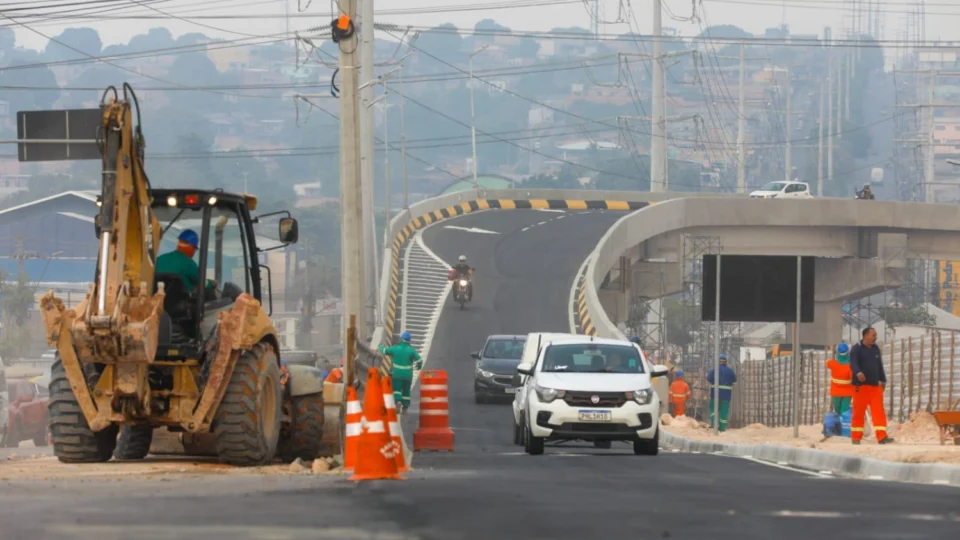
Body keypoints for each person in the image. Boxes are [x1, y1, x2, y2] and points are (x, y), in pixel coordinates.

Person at [849, 327, 894, 445]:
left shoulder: (875, 349)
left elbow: (879, 366)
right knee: (858, 412)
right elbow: (853, 363)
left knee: (878, 411)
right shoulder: (856, 349)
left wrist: (883, 380)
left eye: (876, 335)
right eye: (873, 335)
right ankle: (856, 437)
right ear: (865, 336)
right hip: (860, 387)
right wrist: (858, 373)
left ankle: (882, 437)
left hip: (875, 387)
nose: (875, 337)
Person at [379, 331, 423, 413]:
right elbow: (419, 360)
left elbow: (384, 351)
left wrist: (380, 347)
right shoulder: (411, 350)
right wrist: (419, 366)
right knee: (406, 390)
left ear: (401, 339)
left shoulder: (395, 348)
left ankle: (398, 401)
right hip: (408, 375)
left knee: (397, 389)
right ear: (409, 340)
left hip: (397, 374)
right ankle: (405, 407)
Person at [706, 354, 737, 432]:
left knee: (714, 410)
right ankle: (722, 429)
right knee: (724, 412)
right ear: (726, 362)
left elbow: (709, 380)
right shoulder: (730, 371)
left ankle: (715, 425)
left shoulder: (714, 370)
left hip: (715, 395)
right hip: (726, 396)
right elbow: (734, 383)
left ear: (718, 362)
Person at [826, 343, 854, 415]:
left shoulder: (833, 363)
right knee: (844, 412)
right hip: (847, 392)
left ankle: (839, 424)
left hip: (836, 392)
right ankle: (843, 424)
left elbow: (827, 363)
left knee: (837, 412)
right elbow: (853, 378)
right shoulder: (850, 366)